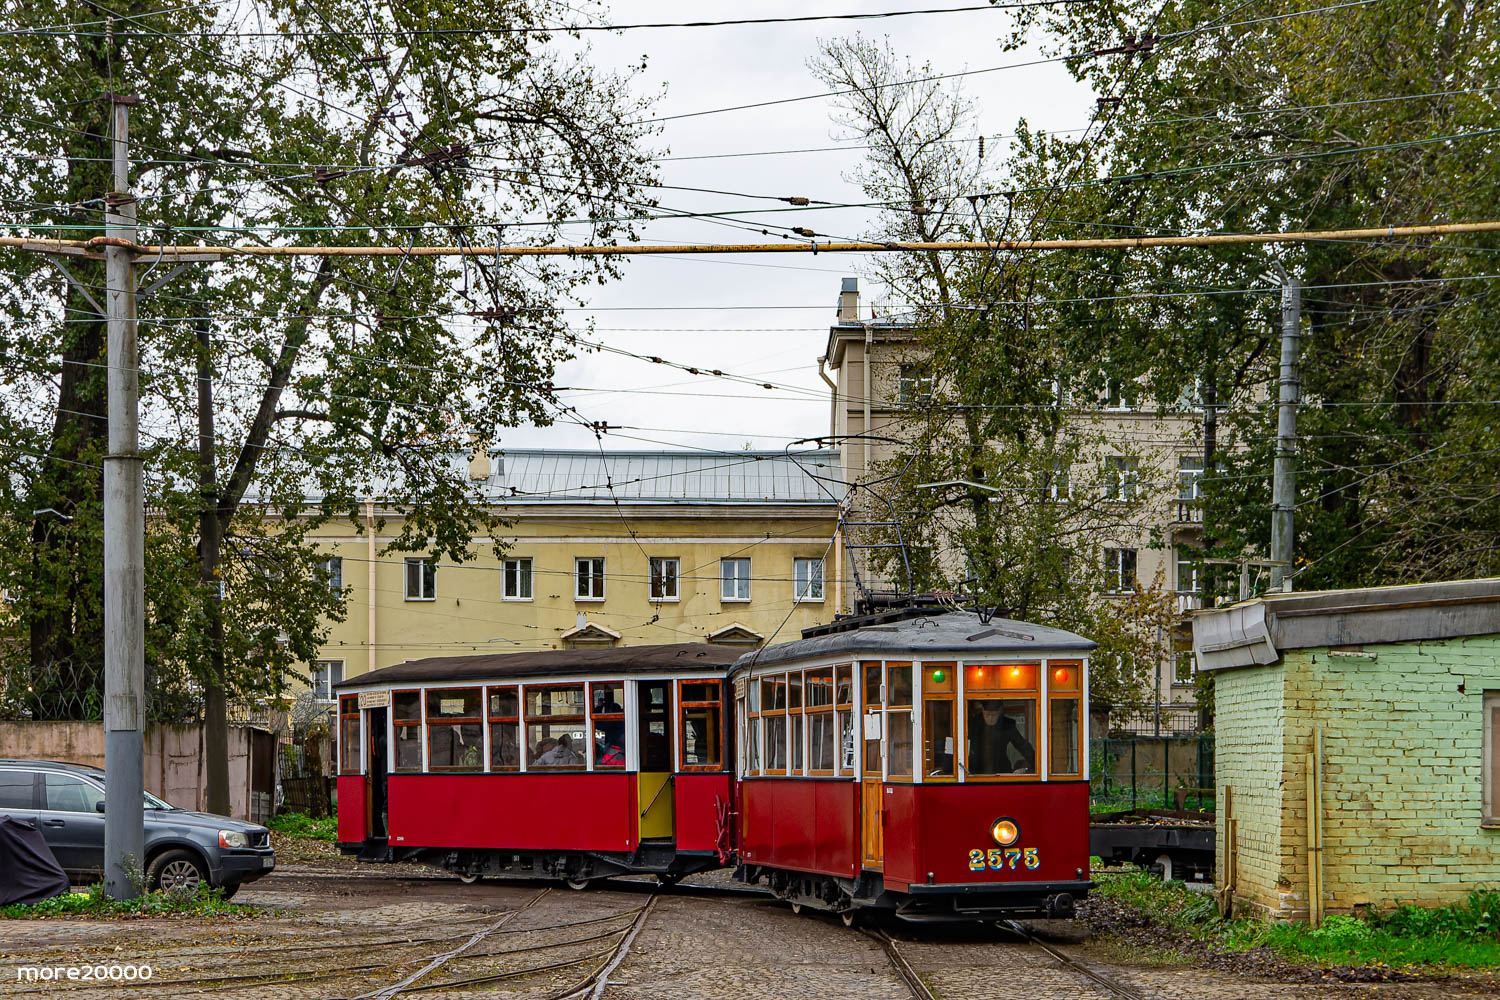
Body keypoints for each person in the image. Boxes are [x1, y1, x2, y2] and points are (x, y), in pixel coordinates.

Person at [967, 701, 1035, 774]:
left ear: (999, 712)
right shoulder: (974, 724)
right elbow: (963, 744)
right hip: (976, 770)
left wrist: (1037, 764)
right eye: (987, 715)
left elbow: (1023, 746)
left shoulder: (1007, 725)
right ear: (983, 710)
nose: (990, 718)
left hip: (1001, 769)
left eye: (993, 715)